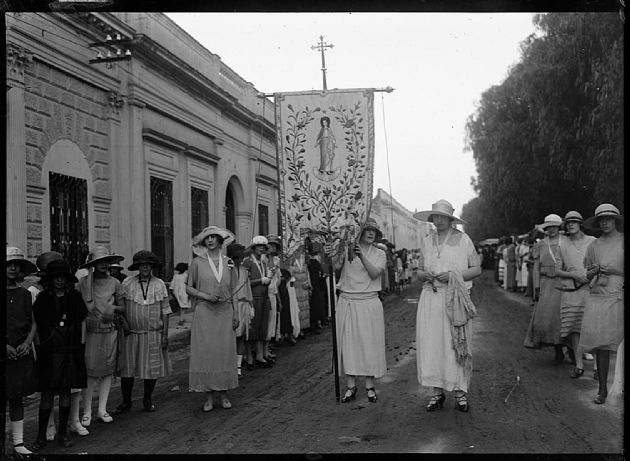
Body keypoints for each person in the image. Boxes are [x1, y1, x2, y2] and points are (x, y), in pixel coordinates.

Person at [413, 200, 481, 412]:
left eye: (443, 217)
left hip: (454, 300)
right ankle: (436, 393)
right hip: (430, 298)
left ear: (451, 220)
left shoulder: (463, 240)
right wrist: (424, 275)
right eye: (436, 217)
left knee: (456, 344)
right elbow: (419, 271)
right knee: (432, 345)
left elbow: (476, 268)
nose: (439, 220)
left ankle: (460, 393)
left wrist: (454, 275)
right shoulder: (426, 240)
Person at [327, 218, 387, 404]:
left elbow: (375, 273)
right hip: (348, 300)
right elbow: (335, 267)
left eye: (373, 231)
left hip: (369, 301)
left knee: (369, 344)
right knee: (348, 344)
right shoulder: (346, 249)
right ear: (359, 232)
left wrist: (362, 256)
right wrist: (330, 252)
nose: (371, 234)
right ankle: (351, 385)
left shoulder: (379, 253)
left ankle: (370, 385)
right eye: (367, 230)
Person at [31, 259, 88, 450]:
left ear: (67, 279)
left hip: (70, 351)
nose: (59, 281)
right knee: (47, 394)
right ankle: (40, 436)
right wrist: (39, 347)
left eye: (63, 277)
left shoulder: (74, 298)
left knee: (65, 392)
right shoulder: (43, 299)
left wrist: (81, 344)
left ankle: (63, 434)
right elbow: (36, 326)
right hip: (49, 352)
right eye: (56, 277)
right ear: (50, 279)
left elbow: (81, 322)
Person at [186, 226, 239, 411]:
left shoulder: (229, 262)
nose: (210, 241)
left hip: (224, 311)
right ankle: (208, 396)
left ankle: (223, 394)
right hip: (204, 311)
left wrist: (236, 314)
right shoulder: (197, 263)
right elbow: (189, 288)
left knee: (223, 352)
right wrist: (205, 295)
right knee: (206, 352)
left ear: (219, 241)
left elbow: (234, 290)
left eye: (213, 238)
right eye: (207, 238)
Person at [113, 250, 171, 414]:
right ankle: (126, 401)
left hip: (152, 333)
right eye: (142, 265)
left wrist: (165, 336)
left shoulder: (159, 284)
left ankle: (147, 399)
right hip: (130, 333)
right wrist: (124, 324)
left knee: (151, 368)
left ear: (152, 267)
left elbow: (165, 311)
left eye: (148, 265)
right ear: (137, 267)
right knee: (127, 369)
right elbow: (120, 306)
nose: (145, 268)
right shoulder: (127, 283)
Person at [579, 204, 624, 404]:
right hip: (599, 297)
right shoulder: (594, 246)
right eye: (601, 220)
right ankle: (603, 389)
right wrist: (593, 271)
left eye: (608, 218)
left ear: (616, 220)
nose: (605, 222)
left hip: (619, 295)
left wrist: (614, 270)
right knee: (602, 344)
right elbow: (586, 275)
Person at [76, 247, 125, 427]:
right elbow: (76, 306)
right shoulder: (82, 283)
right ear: (93, 265)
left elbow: (123, 306)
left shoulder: (115, 282)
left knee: (107, 371)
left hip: (109, 330)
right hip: (90, 331)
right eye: (99, 262)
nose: (104, 264)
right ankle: (87, 411)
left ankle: (102, 409)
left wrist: (112, 310)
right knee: (89, 371)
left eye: (106, 261)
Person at [555, 212, 597, 379]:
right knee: (574, 329)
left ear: (580, 224)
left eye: (574, 222)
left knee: (592, 327)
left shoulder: (592, 241)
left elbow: (599, 265)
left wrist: (588, 277)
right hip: (571, 292)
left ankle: (595, 368)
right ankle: (579, 365)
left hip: (591, 290)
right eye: (568, 223)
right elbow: (557, 270)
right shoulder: (562, 245)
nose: (570, 225)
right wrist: (573, 275)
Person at [5, 247, 39, 454]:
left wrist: (27, 342)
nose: (12, 268)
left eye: (16, 265)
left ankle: (18, 443)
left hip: (20, 352)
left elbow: (33, 322)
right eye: (9, 264)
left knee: (17, 397)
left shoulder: (25, 294)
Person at [524, 214, 568, 364]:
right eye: (549, 227)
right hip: (546, 284)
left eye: (554, 227)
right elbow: (536, 267)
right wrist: (536, 287)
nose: (552, 230)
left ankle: (572, 350)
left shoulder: (566, 242)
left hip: (564, 283)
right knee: (549, 319)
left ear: (559, 227)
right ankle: (558, 350)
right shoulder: (541, 244)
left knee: (565, 317)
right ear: (546, 229)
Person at [242, 236, 273, 368]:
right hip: (253, 298)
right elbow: (244, 282)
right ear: (253, 248)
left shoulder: (264, 262)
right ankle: (249, 357)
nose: (261, 248)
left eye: (263, 247)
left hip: (264, 298)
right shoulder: (247, 262)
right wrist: (260, 281)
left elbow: (267, 280)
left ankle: (260, 356)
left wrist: (269, 279)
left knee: (262, 328)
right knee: (252, 329)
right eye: (259, 246)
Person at [227, 243, 255, 376]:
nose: (241, 259)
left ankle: (238, 366)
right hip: (231, 306)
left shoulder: (244, 271)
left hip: (244, 305)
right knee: (231, 336)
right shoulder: (227, 270)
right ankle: (229, 364)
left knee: (242, 336)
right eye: (239, 257)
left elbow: (248, 288)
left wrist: (251, 305)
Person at [307, 247, 326, 333]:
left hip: (316, 286)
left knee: (317, 306)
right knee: (314, 306)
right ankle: (314, 324)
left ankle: (317, 322)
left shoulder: (314, 263)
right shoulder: (312, 263)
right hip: (315, 286)